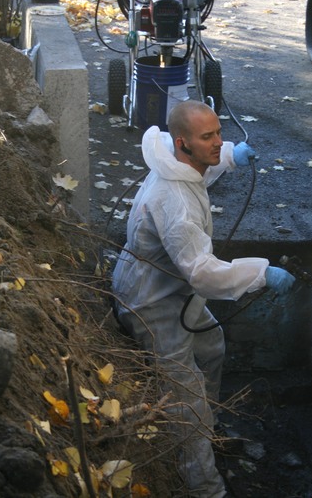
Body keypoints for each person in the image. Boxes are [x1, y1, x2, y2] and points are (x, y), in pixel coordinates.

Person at [111, 100, 296, 497]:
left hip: (173, 290)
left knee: (213, 345)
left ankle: (208, 425)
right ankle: (203, 483)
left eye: (219, 133)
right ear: (183, 143)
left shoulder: (177, 162)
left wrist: (230, 156)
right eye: (208, 137)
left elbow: (200, 171)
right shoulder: (174, 203)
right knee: (188, 403)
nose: (217, 142)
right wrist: (262, 273)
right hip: (152, 304)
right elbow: (203, 273)